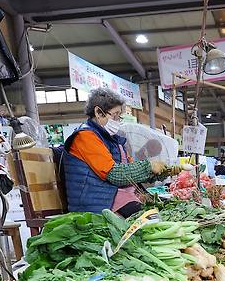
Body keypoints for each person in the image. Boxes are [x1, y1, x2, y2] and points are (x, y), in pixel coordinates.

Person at [63, 88, 178, 216]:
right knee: (151, 217)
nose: (118, 120)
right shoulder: (85, 137)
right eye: (115, 115)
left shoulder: (113, 140)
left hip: (114, 196)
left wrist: (160, 172)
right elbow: (115, 174)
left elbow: (130, 170)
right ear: (98, 112)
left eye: (119, 116)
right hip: (97, 202)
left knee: (165, 210)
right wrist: (149, 166)